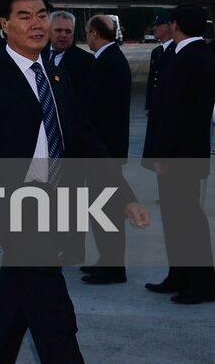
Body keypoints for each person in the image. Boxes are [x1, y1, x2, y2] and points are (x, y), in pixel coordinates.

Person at [0, 0, 150, 364]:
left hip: (57, 207)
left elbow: (86, 144)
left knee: (11, 313)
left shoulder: (57, 81)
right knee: (55, 318)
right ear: (4, 25)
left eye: (41, 15)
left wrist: (124, 196)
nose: (36, 24)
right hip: (19, 212)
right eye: (24, 16)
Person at [141, 3, 215, 305]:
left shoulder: (188, 58)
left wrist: (161, 155)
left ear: (176, 24)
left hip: (178, 156)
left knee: (187, 221)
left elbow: (175, 113)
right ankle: (180, 275)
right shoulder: (196, 55)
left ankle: (200, 285)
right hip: (187, 152)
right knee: (177, 219)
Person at [79, 14, 134, 285]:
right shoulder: (112, 60)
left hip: (103, 149)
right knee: (102, 208)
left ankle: (113, 266)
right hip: (107, 147)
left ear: (93, 34)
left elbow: (95, 108)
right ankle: (107, 259)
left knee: (107, 210)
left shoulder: (106, 63)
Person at [48, 11, 93, 94]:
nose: (63, 35)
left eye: (68, 31)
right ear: (49, 31)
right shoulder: (36, 53)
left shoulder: (86, 61)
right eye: (58, 30)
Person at [144, 13, 173, 114]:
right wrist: (149, 105)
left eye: (158, 25)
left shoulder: (177, 50)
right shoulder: (157, 51)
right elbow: (152, 80)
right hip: (156, 105)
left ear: (169, 26)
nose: (154, 28)